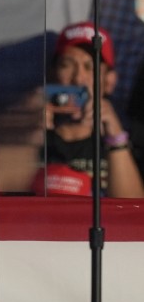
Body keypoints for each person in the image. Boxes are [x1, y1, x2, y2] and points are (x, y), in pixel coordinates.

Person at [40, 22, 144, 198]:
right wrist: (29, 136)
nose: (78, 78)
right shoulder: (32, 126)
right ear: (51, 74)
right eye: (67, 65)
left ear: (109, 81)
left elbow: (132, 212)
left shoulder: (134, 137)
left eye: (90, 67)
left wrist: (116, 137)